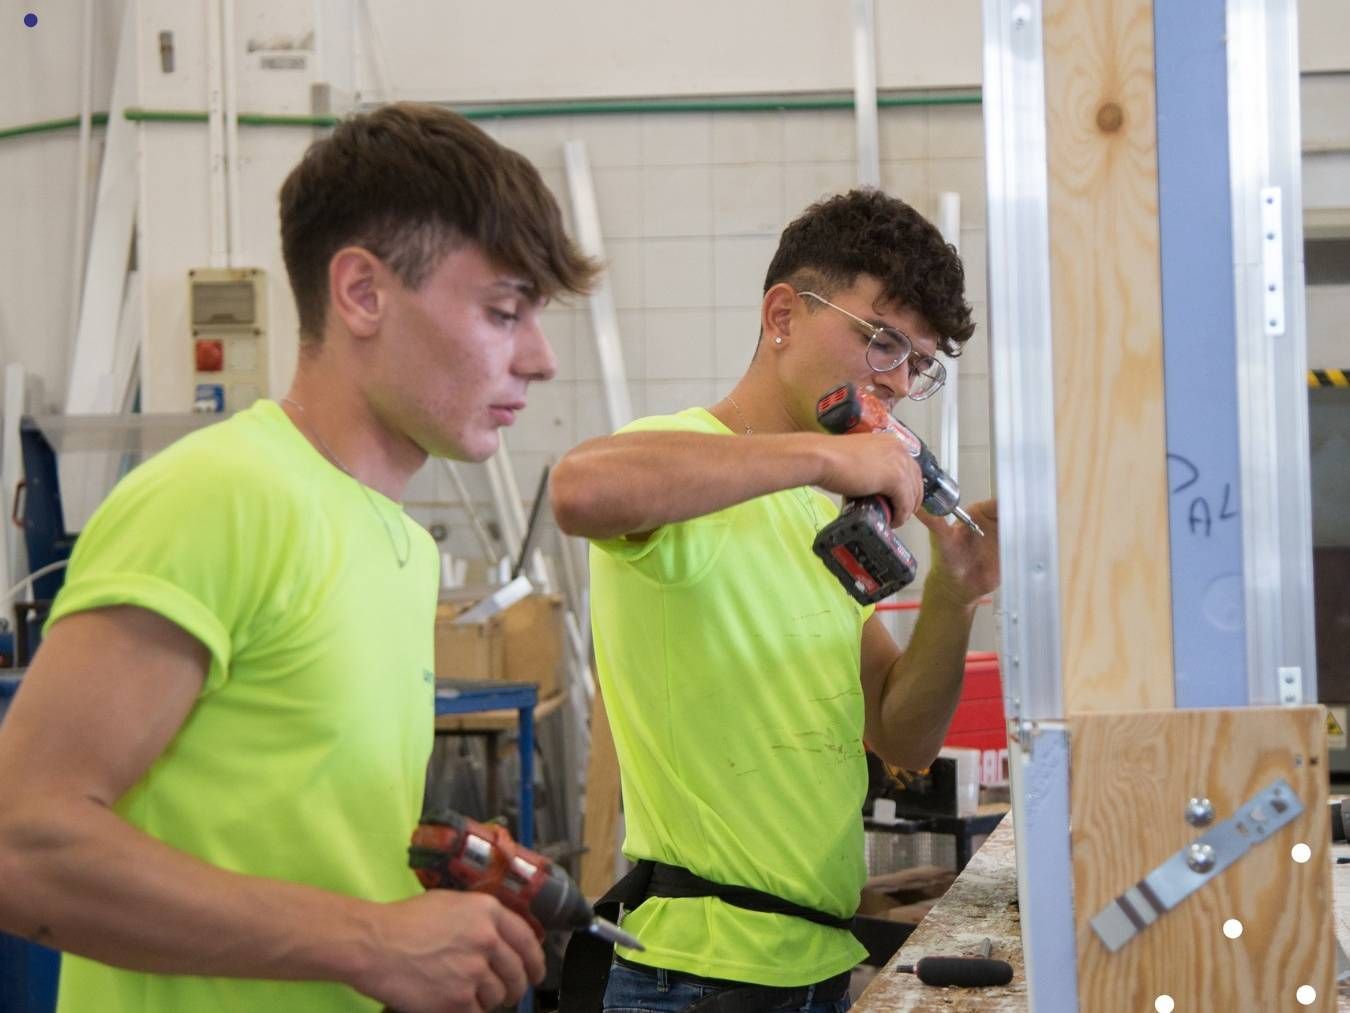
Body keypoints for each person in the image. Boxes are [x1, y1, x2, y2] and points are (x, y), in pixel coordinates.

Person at [0, 102, 597, 1013]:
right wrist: (371, 939)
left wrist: (412, 911)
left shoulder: (398, 542)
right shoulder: (221, 496)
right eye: (504, 311)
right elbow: (22, 841)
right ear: (361, 292)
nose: (542, 358)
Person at [550, 188, 1000, 1012]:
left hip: (812, 965)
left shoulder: (816, 510)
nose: (897, 382)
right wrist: (827, 461)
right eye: (882, 341)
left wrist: (955, 589)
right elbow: (580, 486)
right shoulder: (694, 462)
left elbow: (900, 732)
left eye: (919, 364)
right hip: (694, 975)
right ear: (783, 314)